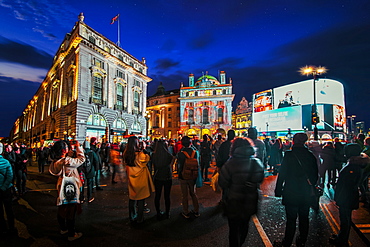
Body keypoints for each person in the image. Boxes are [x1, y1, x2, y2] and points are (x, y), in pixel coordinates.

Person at [219, 137, 264, 247]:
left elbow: (222, 183)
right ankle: (241, 242)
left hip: (234, 200)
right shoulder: (256, 163)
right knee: (245, 225)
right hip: (250, 200)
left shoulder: (230, 164)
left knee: (233, 229)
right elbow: (260, 179)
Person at [274, 133, 318, 247]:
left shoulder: (289, 155)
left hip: (291, 190)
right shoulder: (310, 155)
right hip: (305, 191)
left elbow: (282, 174)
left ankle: (287, 242)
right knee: (304, 217)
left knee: (291, 219)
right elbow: (315, 175)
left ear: (293, 141)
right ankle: (302, 240)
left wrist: (278, 189)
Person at [329, 143, 370, 246]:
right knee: (344, 218)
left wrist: (339, 197)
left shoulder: (353, 167)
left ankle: (342, 239)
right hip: (347, 195)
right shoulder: (355, 164)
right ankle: (341, 236)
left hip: (347, 197)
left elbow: (347, 184)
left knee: (345, 219)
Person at [49, 140, 85, 241]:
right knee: (71, 210)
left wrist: (70, 151)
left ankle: (63, 228)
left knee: (62, 208)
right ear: (64, 150)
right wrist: (78, 147)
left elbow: (66, 158)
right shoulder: (67, 162)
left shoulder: (56, 162)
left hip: (61, 186)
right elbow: (81, 159)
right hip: (70, 187)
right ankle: (71, 234)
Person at [123, 136, 155, 224]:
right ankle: (140, 218)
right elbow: (148, 158)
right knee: (141, 200)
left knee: (132, 198)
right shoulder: (140, 155)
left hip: (131, 179)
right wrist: (144, 148)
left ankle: (132, 216)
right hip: (141, 179)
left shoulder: (126, 154)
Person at [177, 136, 200, 218]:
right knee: (193, 193)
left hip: (183, 175)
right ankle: (196, 210)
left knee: (184, 195)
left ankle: (186, 212)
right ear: (190, 143)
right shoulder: (195, 152)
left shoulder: (181, 153)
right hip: (193, 175)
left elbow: (179, 165)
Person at [151, 139, 173, 220]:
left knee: (157, 195)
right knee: (167, 196)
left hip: (158, 176)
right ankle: (167, 212)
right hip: (167, 176)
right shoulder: (169, 156)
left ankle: (158, 212)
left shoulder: (154, 155)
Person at [0, 143, 17, 236]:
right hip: (6, 190)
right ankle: (11, 227)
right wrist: (4, 186)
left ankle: (3, 228)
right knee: (9, 210)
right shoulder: (6, 162)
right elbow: (10, 176)